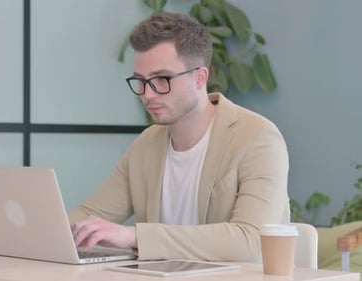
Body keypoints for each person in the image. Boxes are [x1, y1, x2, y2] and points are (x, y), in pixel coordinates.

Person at [69, 12, 290, 262]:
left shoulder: (258, 137)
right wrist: (45, 231)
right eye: (140, 81)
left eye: (161, 79)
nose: (147, 94)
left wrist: (135, 237)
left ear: (200, 78)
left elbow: (251, 241)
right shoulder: (147, 143)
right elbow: (91, 214)